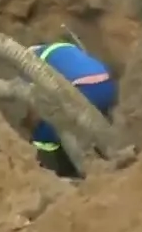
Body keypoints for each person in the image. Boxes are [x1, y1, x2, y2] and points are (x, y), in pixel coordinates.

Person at [26, 42, 117, 178]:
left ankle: (53, 171)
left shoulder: (32, 60)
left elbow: (37, 97)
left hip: (85, 90)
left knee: (45, 132)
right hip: (109, 86)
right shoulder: (66, 48)